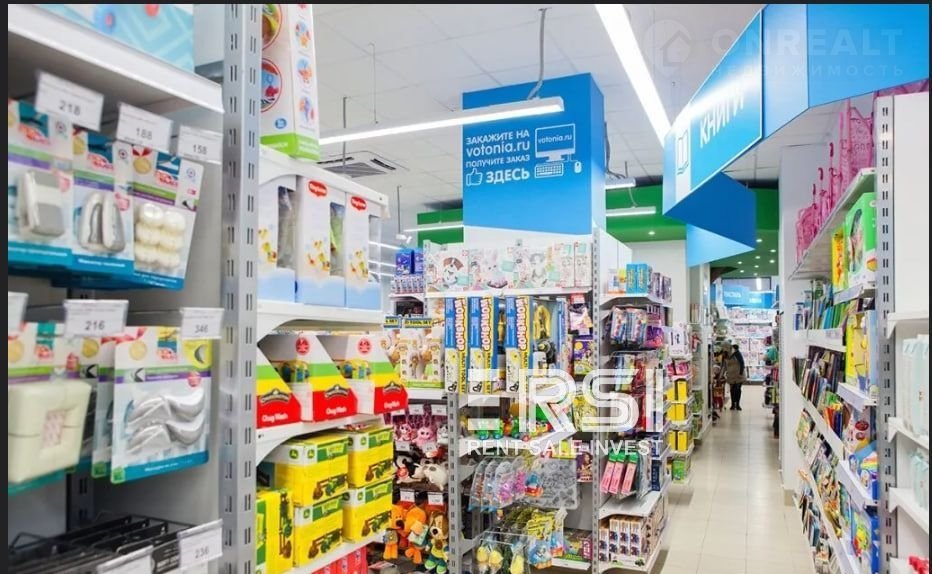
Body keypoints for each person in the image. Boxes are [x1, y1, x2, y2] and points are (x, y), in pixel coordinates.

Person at [724, 343, 746, 410]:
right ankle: (733, 404)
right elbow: (725, 365)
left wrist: (740, 373)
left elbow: (742, 363)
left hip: (739, 375)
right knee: (732, 390)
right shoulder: (727, 355)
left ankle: (738, 404)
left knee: (738, 389)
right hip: (731, 375)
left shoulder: (738, 354)